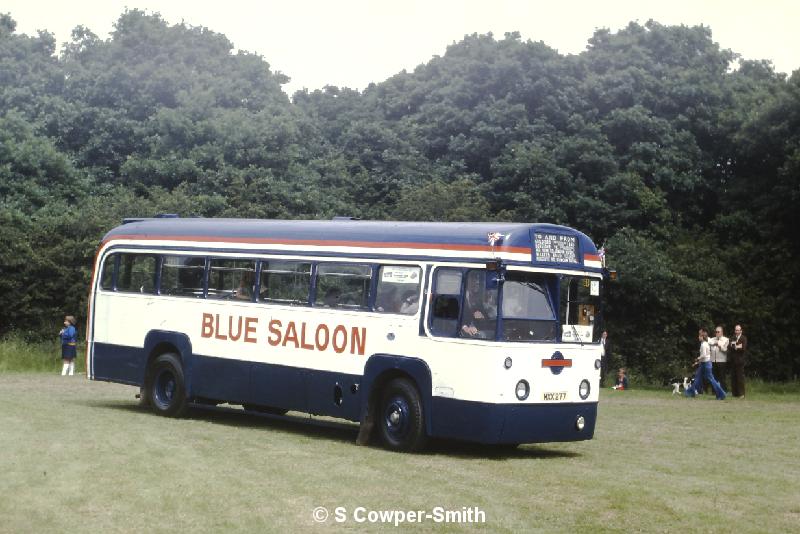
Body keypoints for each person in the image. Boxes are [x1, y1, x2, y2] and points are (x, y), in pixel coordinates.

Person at [685, 328, 726, 400]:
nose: (698, 337)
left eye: (699, 336)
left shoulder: (704, 345)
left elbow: (704, 355)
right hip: (704, 364)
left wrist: (697, 359)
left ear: (702, 337)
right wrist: (698, 362)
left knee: (711, 379)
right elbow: (706, 355)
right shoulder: (704, 343)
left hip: (706, 364)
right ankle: (690, 392)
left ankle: (721, 394)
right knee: (697, 378)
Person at [708, 325, 730, 391]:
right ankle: (714, 391)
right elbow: (708, 345)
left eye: (718, 332)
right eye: (716, 332)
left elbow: (725, 350)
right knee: (714, 377)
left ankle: (723, 390)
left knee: (722, 377)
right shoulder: (712, 339)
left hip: (721, 361)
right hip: (713, 361)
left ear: (722, 332)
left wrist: (719, 344)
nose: (717, 333)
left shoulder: (726, 339)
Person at [729, 324, 747, 398]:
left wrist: (735, 346)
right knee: (733, 377)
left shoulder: (744, 338)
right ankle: (734, 393)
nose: (736, 331)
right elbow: (729, 346)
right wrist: (737, 346)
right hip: (733, 360)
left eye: (738, 330)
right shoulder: (733, 337)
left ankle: (741, 394)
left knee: (740, 378)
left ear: (741, 331)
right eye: (735, 330)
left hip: (740, 361)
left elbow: (743, 348)